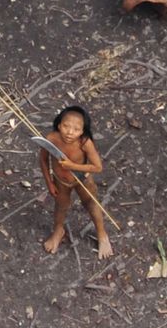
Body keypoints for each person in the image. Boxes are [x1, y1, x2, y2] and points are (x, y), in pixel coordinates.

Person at [39, 105, 113, 259]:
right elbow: (43, 160)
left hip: (82, 179)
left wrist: (72, 166)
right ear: (59, 125)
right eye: (66, 126)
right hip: (60, 181)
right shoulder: (52, 139)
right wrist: (49, 182)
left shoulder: (84, 142)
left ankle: (102, 234)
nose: (70, 132)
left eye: (76, 129)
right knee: (60, 206)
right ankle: (58, 231)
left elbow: (97, 167)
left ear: (82, 131)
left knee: (91, 203)